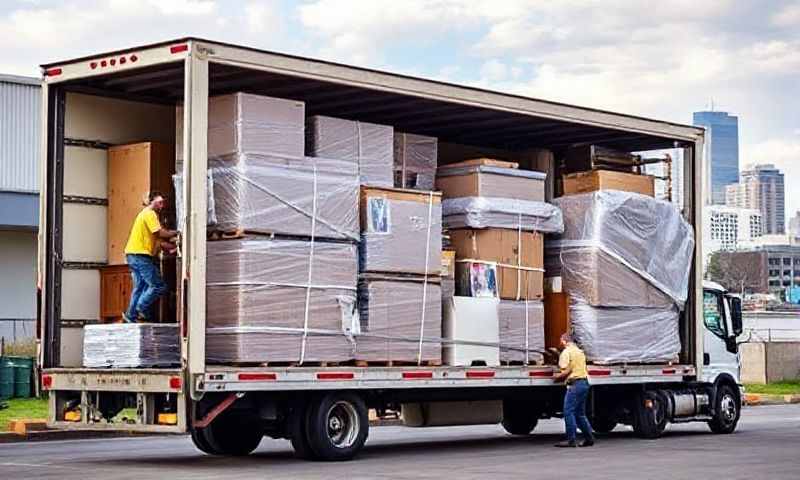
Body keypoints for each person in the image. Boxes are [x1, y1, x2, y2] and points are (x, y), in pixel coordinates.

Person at [122, 192, 178, 323]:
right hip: (140, 256)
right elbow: (160, 233)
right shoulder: (150, 213)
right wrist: (179, 232)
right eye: (159, 202)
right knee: (158, 285)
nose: (162, 205)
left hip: (132, 255)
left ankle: (130, 315)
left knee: (140, 287)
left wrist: (173, 248)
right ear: (151, 201)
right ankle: (141, 307)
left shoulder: (145, 215)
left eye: (163, 202)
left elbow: (159, 241)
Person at [553, 333, 595, 448]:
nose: (561, 343)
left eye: (561, 340)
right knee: (580, 413)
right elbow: (575, 366)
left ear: (564, 341)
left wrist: (556, 378)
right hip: (584, 383)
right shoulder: (580, 352)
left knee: (568, 412)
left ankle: (571, 440)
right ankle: (589, 438)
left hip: (574, 385)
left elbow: (565, 371)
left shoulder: (566, 353)